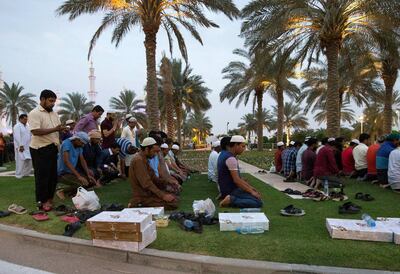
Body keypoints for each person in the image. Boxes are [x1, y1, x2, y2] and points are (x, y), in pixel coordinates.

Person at [29, 89, 66, 211]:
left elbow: (56, 129)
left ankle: (49, 199)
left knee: (52, 176)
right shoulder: (35, 113)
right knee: (42, 177)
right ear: (42, 99)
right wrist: (56, 129)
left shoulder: (54, 114)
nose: (52, 104)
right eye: (50, 101)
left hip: (53, 147)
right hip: (40, 148)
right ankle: (42, 201)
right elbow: (35, 131)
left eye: (54, 101)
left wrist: (62, 129)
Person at [128, 137, 178, 209]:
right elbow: (147, 183)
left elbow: (153, 177)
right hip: (142, 196)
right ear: (146, 149)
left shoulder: (144, 159)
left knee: (173, 197)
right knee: (173, 203)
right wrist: (163, 196)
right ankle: (136, 204)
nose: (155, 154)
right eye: (154, 151)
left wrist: (168, 183)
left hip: (148, 193)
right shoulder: (138, 160)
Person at [218, 135, 263, 208]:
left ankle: (229, 198)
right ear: (236, 145)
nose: (244, 149)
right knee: (258, 202)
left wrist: (251, 188)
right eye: (242, 146)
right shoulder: (231, 159)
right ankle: (231, 200)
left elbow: (238, 179)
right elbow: (237, 180)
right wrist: (251, 192)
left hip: (225, 189)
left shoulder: (223, 154)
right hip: (231, 191)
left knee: (254, 195)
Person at [56, 132, 98, 199]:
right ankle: (62, 191)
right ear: (77, 139)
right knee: (81, 183)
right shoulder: (66, 144)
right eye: (82, 143)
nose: (83, 145)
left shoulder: (79, 146)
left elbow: (82, 160)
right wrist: (78, 176)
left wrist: (88, 174)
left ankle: (72, 193)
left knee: (89, 182)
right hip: (62, 173)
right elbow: (66, 161)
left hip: (71, 172)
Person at [13, 114, 32, 178]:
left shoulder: (28, 126)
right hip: (21, 147)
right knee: (20, 161)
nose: (26, 120)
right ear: (20, 119)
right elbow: (17, 136)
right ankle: (18, 175)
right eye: (24, 119)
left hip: (28, 146)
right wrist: (20, 145)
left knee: (29, 161)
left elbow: (30, 135)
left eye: (26, 119)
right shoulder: (17, 126)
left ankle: (26, 174)